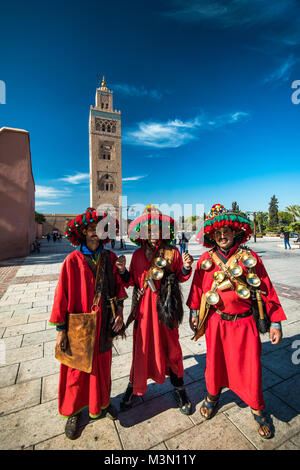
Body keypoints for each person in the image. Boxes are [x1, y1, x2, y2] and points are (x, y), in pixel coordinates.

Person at [187, 204, 286, 439]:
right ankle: (212, 396)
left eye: (227, 232)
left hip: (245, 324)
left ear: (235, 233)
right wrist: (193, 312)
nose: (222, 236)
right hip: (216, 322)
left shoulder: (248, 257)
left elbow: (266, 288)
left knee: (250, 367)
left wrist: (276, 322)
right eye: (218, 233)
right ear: (212, 235)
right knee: (214, 363)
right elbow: (197, 288)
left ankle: (257, 408)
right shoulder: (206, 259)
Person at [49, 208, 127, 440]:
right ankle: (74, 411)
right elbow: (60, 297)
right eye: (92, 229)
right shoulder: (72, 261)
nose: (96, 233)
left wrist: (120, 312)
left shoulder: (111, 258)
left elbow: (119, 290)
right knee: (76, 371)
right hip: (79, 326)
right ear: (83, 231)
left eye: (100, 229)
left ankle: (102, 403)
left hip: (104, 323)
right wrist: (61, 331)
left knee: (103, 366)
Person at [116, 205, 194, 415]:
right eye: (149, 230)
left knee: (172, 349)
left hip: (165, 310)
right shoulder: (138, 255)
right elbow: (131, 281)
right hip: (144, 313)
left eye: (157, 230)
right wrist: (123, 271)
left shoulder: (172, 252)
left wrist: (186, 266)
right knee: (141, 351)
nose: (153, 235)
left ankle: (179, 389)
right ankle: (134, 386)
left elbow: (181, 275)